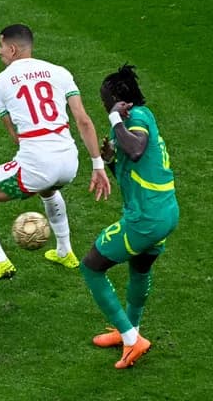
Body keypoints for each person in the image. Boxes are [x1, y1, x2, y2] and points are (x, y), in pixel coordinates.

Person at [0, 24, 111, 292]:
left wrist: (29, 168)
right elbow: (84, 121)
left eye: (1, 46)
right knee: (49, 188)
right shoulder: (60, 72)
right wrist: (98, 164)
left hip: (37, 164)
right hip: (69, 162)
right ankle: (64, 251)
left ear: (13, 48)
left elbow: (16, 135)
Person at [80, 65, 178, 369]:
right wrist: (110, 160)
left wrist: (114, 120)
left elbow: (135, 150)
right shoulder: (129, 123)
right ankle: (130, 332)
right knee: (139, 268)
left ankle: (132, 340)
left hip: (146, 217)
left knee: (92, 266)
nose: (104, 106)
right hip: (162, 212)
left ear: (120, 101)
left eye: (106, 101)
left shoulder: (136, 119)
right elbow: (131, 167)